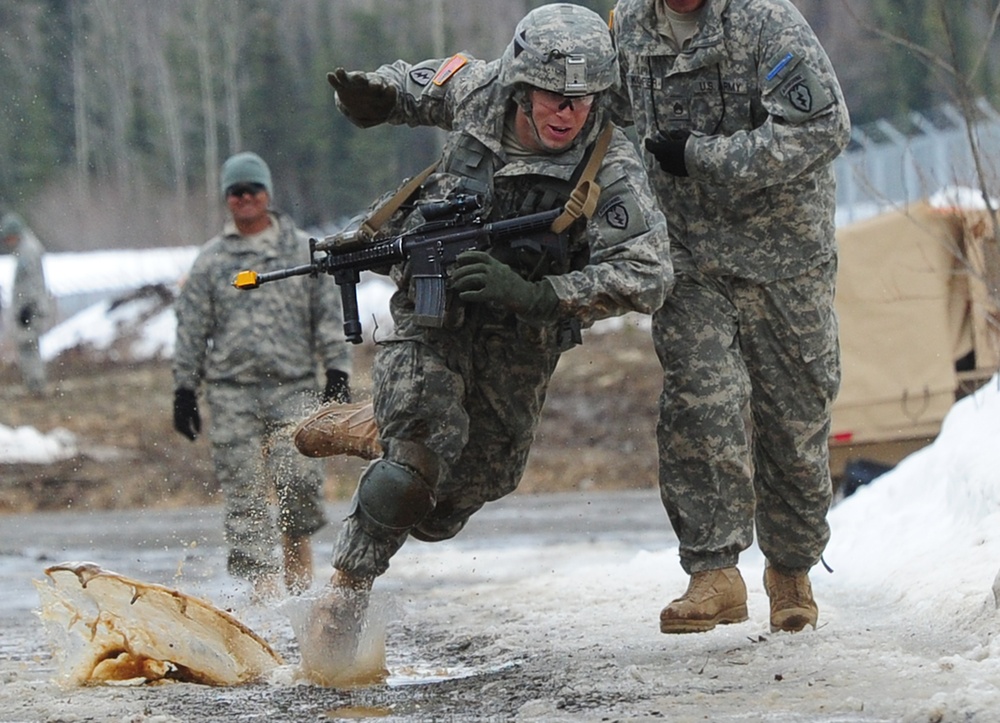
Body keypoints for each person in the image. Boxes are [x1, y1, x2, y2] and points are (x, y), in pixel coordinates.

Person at [315, 2, 671, 640]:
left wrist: (543, 295)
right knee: (421, 454)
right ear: (521, 86)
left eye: (584, 99)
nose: (569, 113)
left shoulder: (607, 165)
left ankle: (376, 429)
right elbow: (410, 85)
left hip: (522, 337)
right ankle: (344, 596)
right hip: (434, 311)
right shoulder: (480, 90)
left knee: (460, 496)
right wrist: (369, 98)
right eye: (554, 97)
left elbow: (648, 272)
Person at [610, 0, 851, 633]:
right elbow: (581, 107)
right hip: (688, 256)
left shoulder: (767, 23)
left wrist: (704, 157)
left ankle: (792, 570)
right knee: (700, 400)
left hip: (784, 257)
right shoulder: (630, 26)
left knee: (793, 424)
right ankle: (713, 571)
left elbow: (822, 128)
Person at [171, 151, 353, 601]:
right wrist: (184, 389)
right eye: (236, 192)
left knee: (300, 481)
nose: (245, 198)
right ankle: (263, 589)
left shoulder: (301, 250)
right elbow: (192, 327)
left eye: (252, 190)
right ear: (226, 200)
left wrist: (337, 370)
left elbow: (326, 315)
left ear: (267, 194)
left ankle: (298, 564)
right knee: (245, 492)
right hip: (232, 394)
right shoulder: (212, 261)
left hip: (294, 388)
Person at [1, 212, 49, 396]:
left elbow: (31, 283)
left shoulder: (28, 251)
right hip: (30, 306)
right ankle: (34, 384)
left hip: (30, 308)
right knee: (28, 345)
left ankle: (36, 385)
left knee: (28, 345)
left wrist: (27, 308)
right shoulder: (26, 249)